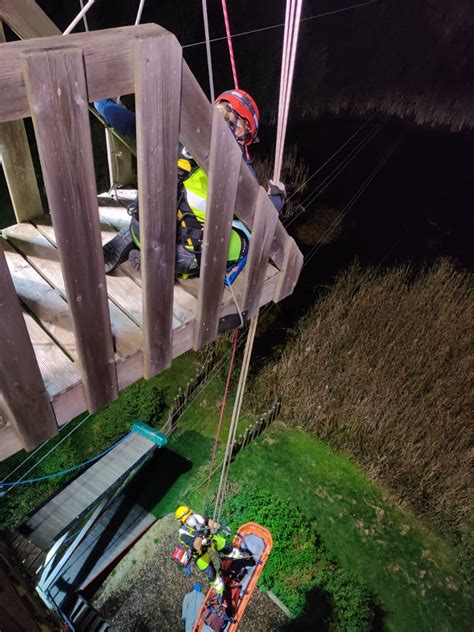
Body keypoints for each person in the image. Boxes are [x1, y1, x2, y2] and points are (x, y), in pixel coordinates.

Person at [94, 90, 285, 276]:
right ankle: (161, 264)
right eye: (245, 134)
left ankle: (138, 237)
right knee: (244, 239)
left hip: (141, 220)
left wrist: (101, 102)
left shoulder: (176, 127)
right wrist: (276, 198)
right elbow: (258, 215)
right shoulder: (234, 165)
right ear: (240, 130)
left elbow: (125, 122)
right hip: (179, 251)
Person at [175, 505, 244, 601]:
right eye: (187, 518)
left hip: (209, 540)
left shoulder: (196, 517)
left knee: (225, 545)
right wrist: (199, 533)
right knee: (211, 574)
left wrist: (220, 527)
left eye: (190, 515)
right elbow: (196, 546)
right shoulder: (183, 534)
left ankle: (238, 555)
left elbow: (208, 522)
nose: (191, 518)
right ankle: (220, 590)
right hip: (200, 553)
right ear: (182, 522)